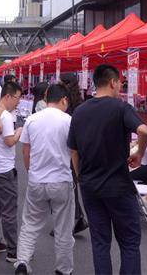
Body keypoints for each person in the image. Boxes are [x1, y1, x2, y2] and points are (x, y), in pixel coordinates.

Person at [68, 64, 147, 275]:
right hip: (119, 186)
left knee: (100, 243)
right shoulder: (120, 107)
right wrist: (139, 153)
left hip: (90, 187)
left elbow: (74, 151)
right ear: (113, 82)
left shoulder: (79, 111)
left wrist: (80, 177)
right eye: (119, 84)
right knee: (129, 243)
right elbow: (143, 130)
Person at [14, 83, 75, 275]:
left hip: (37, 179)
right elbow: (74, 151)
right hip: (61, 180)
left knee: (30, 224)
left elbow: (26, 150)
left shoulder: (32, 120)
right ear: (64, 100)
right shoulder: (68, 120)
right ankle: (63, 269)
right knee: (63, 228)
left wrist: (31, 170)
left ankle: (22, 262)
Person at [0, 81, 23, 263]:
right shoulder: (7, 116)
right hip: (5, 168)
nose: (18, 102)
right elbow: (9, 141)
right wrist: (18, 133)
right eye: (17, 97)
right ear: (8, 96)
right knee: (9, 210)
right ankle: (13, 251)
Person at [59, 73, 90, 234]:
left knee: (68, 183)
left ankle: (74, 219)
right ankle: (76, 217)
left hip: (67, 147)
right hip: (78, 147)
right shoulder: (80, 102)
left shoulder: (64, 103)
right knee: (71, 182)